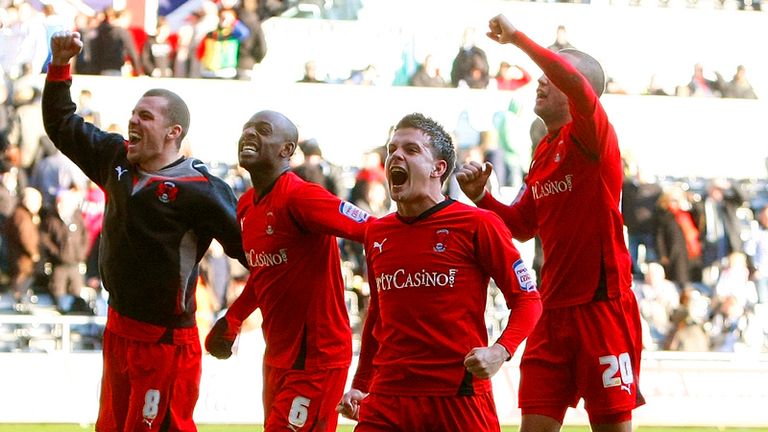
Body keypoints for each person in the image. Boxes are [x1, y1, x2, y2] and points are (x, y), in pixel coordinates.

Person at [42, 30, 247, 431]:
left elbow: (254, 252)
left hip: (166, 343)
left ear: (174, 133)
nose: (133, 121)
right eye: (134, 114)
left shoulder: (202, 191)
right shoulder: (115, 157)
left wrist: (238, 318)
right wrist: (60, 65)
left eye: (146, 117)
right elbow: (62, 124)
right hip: (119, 329)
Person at [456, 15, 645, 432]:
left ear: (578, 88)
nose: (540, 82)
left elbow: (575, 83)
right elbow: (522, 226)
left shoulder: (594, 135)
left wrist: (519, 40)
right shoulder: (544, 151)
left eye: (550, 77)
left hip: (601, 308)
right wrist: (483, 198)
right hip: (552, 313)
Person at [337, 113, 542, 431]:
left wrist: (500, 352)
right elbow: (377, 315)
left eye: (411, 149)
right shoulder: (377, 233)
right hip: (388, 397)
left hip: (457, 396)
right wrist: (361, 383)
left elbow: (528, 299)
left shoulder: (478, 224)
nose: (396, 156)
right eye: (392, 149)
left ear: (439, 168)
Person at [205, 110, 373, 432]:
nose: (249, 135)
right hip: (279, 357)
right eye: (246, 129)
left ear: (287, 150)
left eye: (263, 130)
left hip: (317, 360)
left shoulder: (302, 197)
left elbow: (374, 228)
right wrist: (234, 318)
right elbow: (265, 273)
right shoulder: (246, 205)